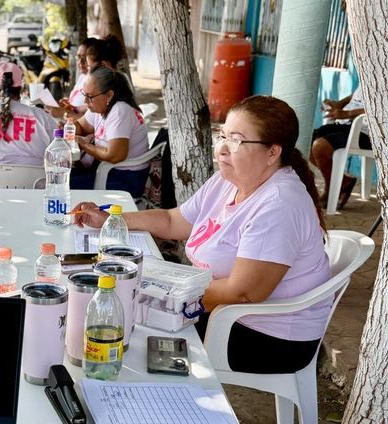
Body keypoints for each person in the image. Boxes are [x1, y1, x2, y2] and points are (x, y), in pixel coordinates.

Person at [73, 95, 331, 374]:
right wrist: (111, 219)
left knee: (126, 330)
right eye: (223, 135)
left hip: (267, 335)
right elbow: (174, 220)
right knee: (114, 309)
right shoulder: (227, 180)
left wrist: (157, 295)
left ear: (272, 153)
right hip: (220, 309)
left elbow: (243, 293)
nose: (221, 149)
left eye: (236, 140)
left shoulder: (279, 205)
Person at [69, 66, 149, 196]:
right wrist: (69, 127)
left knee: (65, 186)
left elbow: (115, 156)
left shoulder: (120, 111)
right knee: (63, 176)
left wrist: (84, 144)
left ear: (109, 95)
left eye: (89, 96)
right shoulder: (99, 106)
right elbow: (82, 126)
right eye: (84, 95)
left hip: (125, 178)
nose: (85, 101)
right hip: (109, 171)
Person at [309, 86, 370, 209]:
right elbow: (355, 96)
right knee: (307, 142)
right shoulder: (370, 71)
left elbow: (380, 109)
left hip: (365, 132)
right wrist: (338, 104)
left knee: (319, 146)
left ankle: (331, 189)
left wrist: (347, 113)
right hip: (345, 125)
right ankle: (342, 181)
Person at [54, 37, 97, 118]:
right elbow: (75, 107)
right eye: (78, 57)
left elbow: (89, 122)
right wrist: (67, 104)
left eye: (84, 58)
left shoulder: (97, 83)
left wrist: (65, 113)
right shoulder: (82, 77)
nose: (80, 62)